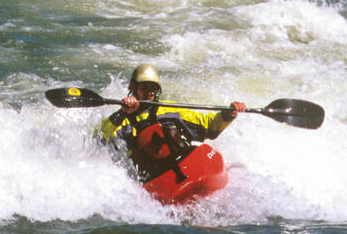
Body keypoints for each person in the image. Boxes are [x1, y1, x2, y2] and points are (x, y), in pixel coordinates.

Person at [98, 63, 246, 182]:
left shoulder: (171, 111)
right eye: (144, 87)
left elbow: (209, 126)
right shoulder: (121, 121)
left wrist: (228, 115)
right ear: (132, 88)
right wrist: (123, 112)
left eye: (153, 88)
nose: (149, 92)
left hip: (185, 166)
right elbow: (100, 138)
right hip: (151, 178)